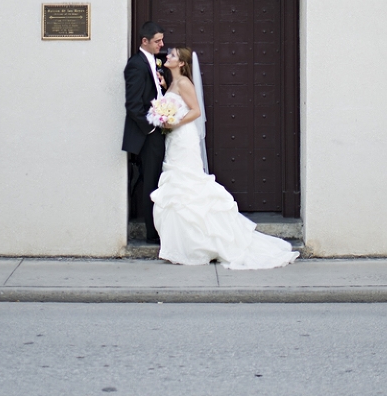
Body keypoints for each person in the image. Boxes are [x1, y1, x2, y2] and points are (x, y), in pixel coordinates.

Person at [151, 47, 299, 269]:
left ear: (181, 63)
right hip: (174, 140)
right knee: (178, 183)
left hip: (184, 137)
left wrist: (174, 122)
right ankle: (183, 244)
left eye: (172, 55)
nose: (167, 57)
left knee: (188, 183)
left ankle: (201, 242)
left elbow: (196, 111)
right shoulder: (172, 83)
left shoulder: (184, 83)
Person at [122, 21, 167, 244]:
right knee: (151, 181)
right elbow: (133, 105)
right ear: (144, 41)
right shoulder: (136, 65)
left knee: (157, 179)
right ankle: (151, 233)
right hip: (148, 134)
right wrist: (150, 128)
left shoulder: (152, 62)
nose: (162, 44)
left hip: (157, 130)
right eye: (157, 41)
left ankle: (158, 227)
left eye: (162, 40)